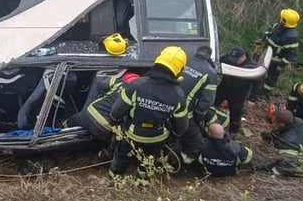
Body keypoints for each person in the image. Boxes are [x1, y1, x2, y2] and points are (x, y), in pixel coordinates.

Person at [108, 46, 189, 177]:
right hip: (157, 138)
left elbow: (117, 111)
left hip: (132, 134)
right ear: (179, 70)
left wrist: (115, 123)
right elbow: (182, 126)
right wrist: (173, 137)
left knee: (122, 156)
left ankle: (115, 178)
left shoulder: (137, 84)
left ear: (157, 61)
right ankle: (141, 182)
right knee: (149, 161)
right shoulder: (179, 95)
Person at [63, 71, 140, 143]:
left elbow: (99, 82)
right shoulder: (138, 98)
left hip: (89, 114)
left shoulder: (119, 83)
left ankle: (61, 127)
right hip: (106, 129)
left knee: (69, 123)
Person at [178, 45, 219, 164]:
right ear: (208, 56)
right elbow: (206, 102)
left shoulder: (184, 60)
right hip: (184, 109)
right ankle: (187, 160)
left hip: (168, 100)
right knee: (195, 141)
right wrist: (199, 118)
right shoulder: (210, 73)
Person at [250, 8, 300, 99]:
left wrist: (281, 66)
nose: (280, 18)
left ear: (285, 21)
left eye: (282, 18)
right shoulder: (278, 26)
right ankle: (253, 87)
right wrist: (262, 39)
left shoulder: (292, 37)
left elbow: (291, 55)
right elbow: (269, 32)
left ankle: (265, 93)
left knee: (271, 77)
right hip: (266, 53)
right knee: (257, 68)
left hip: (276, 60)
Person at [215, 47, 259, 136]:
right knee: (213, 102)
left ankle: (233, 131)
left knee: (236, 112)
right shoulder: (228, 59)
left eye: (236, 60)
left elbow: (258, 83)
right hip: (225, 86)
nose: (232, 61)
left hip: (239, 93)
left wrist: (253, 98)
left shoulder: (252, 67)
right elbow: (218, 61)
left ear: (243, 57)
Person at [259, 109, 303, 177]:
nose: (271, 122)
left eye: (274, 121)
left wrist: (272, 172)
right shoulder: (298, 121)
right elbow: (281, 130)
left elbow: (289, 165)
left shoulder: (289, 142)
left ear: (281, 124)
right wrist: (270, 136)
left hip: (302, 164)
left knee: (265, 169)